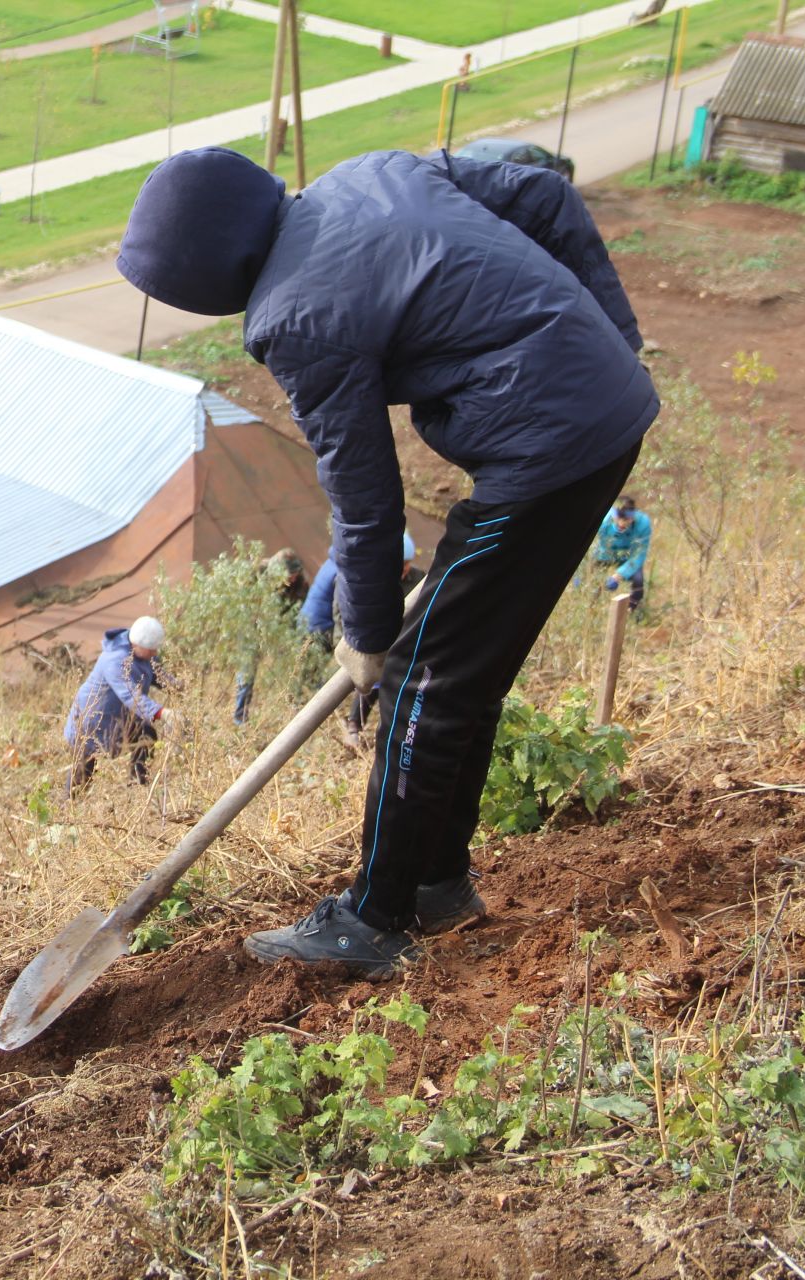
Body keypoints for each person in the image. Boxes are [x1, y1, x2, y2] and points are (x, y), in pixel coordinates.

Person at [117, 146, 656, 975]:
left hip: (545, 450)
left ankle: (372, 919)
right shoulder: (373, 172)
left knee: (421, 676)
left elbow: (366, 498)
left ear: (203, 279)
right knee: (462, 672)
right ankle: (437, 881)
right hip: (596, 422)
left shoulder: (293, 315)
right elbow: (544, 191)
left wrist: (364, 634)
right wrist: (617, 340)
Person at [298, 531, 421, 748]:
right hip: (349, 634)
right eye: (402, 564)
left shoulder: (416, 578)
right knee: (367, 677)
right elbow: (342, 612)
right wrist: (349, 644)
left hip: (400, 642)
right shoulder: (364, 578)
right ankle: (350, 725)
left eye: (408, 564)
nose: (406, 569)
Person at [64, 616, 174, 792]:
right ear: (137, 644)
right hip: (90, 724)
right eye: (151, 650)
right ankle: (67, 809)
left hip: (117, 720)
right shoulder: (114, 660)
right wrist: (161, 713)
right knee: (83, 771)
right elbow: (130, 694)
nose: (155, 653)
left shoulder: (141, 655)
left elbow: (157, 674)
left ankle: (138, 784)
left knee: (146, 734)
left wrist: (178, 686)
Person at [232, 548, 308, 726]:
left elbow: (296, 612)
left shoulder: (300, 583)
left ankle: (294, 717)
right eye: (290, 575)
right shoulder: (257, 572)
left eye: (295, 574)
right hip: (252, 627)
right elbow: (240, 603)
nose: (293, 578)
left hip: (279, 628)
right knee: (247, 673)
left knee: (290, 670)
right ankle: (239, 720)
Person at [595, 496, 650, 611]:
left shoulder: (643, 524)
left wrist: (619, 575)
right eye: (619, 518)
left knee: (638, 583)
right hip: (605, 553)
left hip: (628, 557)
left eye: (626, 520)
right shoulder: (604, 521)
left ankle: (631, 613)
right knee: (593, 585)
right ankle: (592, 609)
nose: (621, 523)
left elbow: (639, 554)